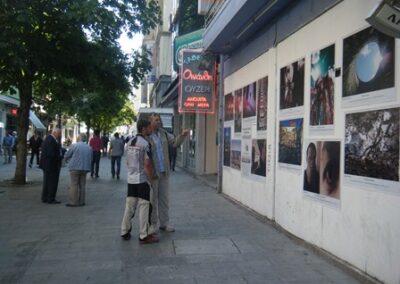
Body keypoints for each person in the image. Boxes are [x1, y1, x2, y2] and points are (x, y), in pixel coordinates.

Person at [148, 113, 189, 233]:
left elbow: (175, 143)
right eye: (156, 120)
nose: (159, 122)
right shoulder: (147, 135)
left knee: (164, 199)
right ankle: (153, 224)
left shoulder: (164, 133)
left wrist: (182, 135)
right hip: (153, 173)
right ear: (150, 121)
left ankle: (164, 223)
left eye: (159, 120)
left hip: (164, 172)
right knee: (152, 200)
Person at [120, 119, 159, 244]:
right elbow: (147, 164)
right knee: (144, 207)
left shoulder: (129, 142)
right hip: (142, 180)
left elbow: (127, 162)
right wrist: (151, 179)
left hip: (131, 179)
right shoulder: (145, 143)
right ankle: (144, 234)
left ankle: (124, 230)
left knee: (130, 205)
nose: (150, 129)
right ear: (143, 129)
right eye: (148, 127)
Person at [63, 133, 93, 207]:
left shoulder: (74, 146)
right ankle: (82, 201)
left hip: (75, 167)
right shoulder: (89, 147)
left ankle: (73, 202)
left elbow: (67, 154)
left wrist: (66, 160)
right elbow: (91, 158)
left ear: (79, 138)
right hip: (85, 168)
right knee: (82, 184)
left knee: (74, 184)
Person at [40, 128, 63, 204]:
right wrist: (60, 157)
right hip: (51, 165)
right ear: (55, 132)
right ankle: (51, 198)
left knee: (47, 181)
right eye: (59, 134)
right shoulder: (51, 140)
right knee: (52, 182)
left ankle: (45, 197)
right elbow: (51, 154)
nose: (59, 135)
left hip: (47, 165)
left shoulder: (48, 139)